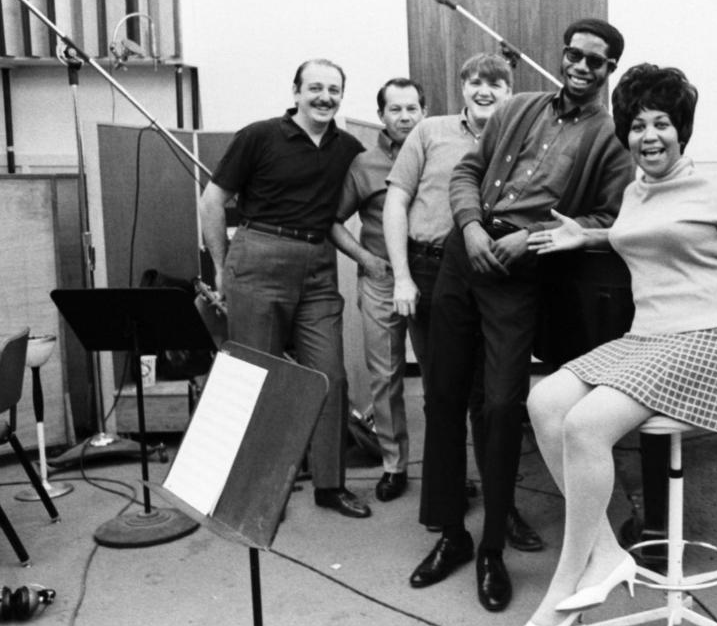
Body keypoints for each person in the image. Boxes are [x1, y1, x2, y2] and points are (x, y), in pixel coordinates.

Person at [511, 64, 717, 626]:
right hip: (648, 339)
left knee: (585, 426)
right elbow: (639, 234)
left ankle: (568, 578)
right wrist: (586, 237)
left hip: (715, 338)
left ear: (681, 129)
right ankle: (607, 555)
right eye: (637, 125)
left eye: (661, 122)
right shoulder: (636, 191)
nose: (649, 135)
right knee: (544, 402)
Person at [407, 19, 633, 614]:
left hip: (520, 275)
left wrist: (528, 239)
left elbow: (610, 222)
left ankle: (491, 552)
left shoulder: (611, 139)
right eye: (575, 55)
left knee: (504, 405)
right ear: (563, 56)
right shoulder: (520, 107)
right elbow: (466, 172)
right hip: (467, 253)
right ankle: (453, 535)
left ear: (609, 71)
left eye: (597, 62)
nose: (582, 67)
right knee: (445, 394)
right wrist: (472, 226)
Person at [199, 58, 371, 519]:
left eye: (334, 90)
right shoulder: (258, 136)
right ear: (295, 91)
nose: (325, 97)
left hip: (318, 266)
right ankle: (254, 491)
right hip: (258, 257)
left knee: (330, 377)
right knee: (257, 379)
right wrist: (220, 266)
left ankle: (330, 485)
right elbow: (212, 201)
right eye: (315, 88)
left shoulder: (349, 147)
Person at [383, 53, 543, 546]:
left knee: (494, 401)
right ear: (460, 87)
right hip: (433, 273)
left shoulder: (524, 138)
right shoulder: (429, 131)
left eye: (496, 83)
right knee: (442, 397)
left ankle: (503, 508)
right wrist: (403, 278)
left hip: (496, 276)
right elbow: (396, 201)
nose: (485, 90)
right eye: (475, 81)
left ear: (510, 91)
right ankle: (447, 510)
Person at [331, 78, 426, 502]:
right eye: (396, 110)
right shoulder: (363, 164)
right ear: (381, 116)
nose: (405, 117)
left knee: (443, 379)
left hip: (432, 279)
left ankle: (447, 465)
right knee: (385, 377)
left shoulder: (438, 154)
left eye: (412, 109)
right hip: (382, 280)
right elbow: (332, 221)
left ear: (423, 111)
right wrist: (365, 261)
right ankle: (394, 465)